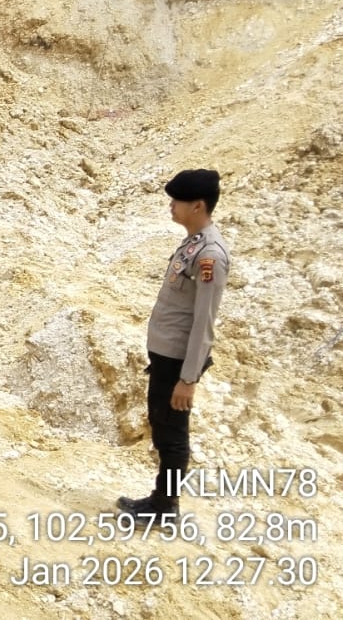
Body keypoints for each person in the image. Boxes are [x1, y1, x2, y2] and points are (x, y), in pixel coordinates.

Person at [116, 170, 230, 522]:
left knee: (173, 434)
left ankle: (165, 507)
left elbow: (204, 322)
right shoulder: (193, 242)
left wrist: (189, 378)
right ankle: (160, 500)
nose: (171, 206)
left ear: (197, 205)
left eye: (177, 201)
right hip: (165, 355)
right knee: (163, 426)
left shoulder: (211, 254)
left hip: (179, 361)